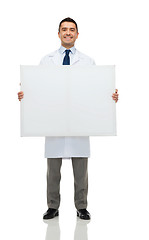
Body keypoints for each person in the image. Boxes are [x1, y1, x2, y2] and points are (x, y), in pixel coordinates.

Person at [18, 17, 119, 220]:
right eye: (64, 29)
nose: (68, 33)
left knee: (81, 169)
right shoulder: (47, 60)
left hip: (79, 121)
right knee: (53, 170)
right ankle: (52, 206)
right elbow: (37, 87)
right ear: (58, 33)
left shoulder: (88, 61)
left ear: (77, 34)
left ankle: (81, 206)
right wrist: (25, 94)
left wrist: (110, 96)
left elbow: (96, 89)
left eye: (72, 30)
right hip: (54, 121)